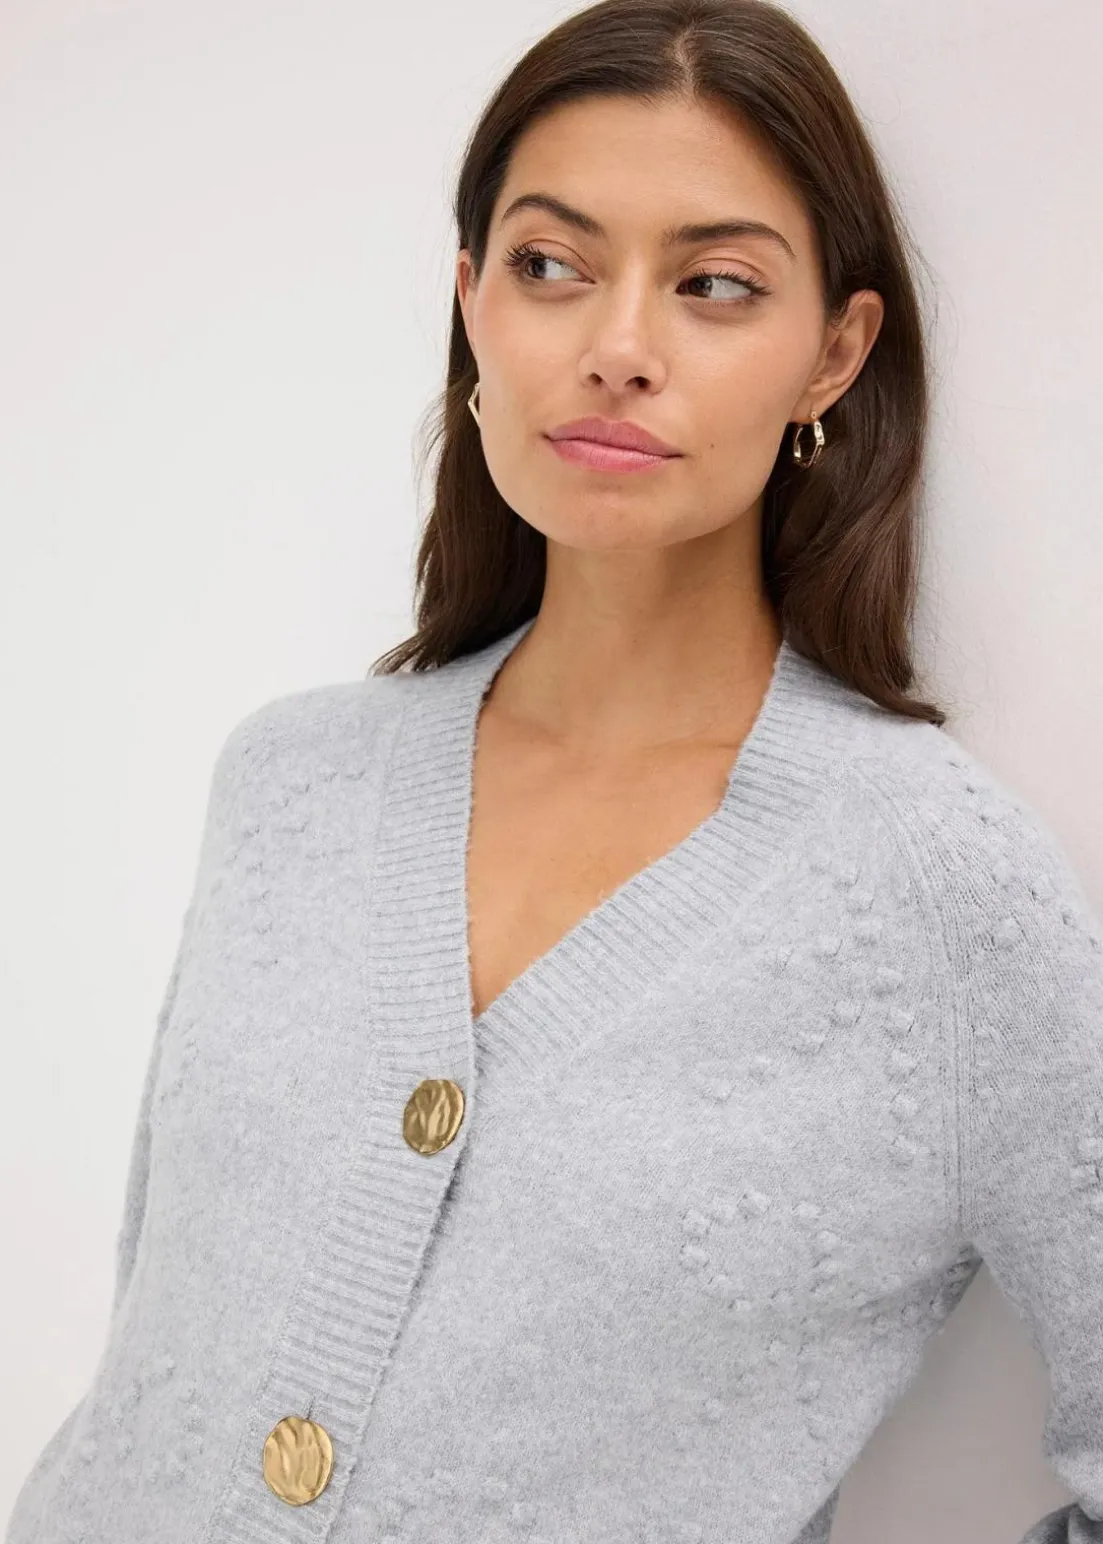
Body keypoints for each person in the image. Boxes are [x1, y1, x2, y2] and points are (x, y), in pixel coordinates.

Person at [8, 0, 1102, 1540]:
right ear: (469, 302)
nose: (618, 350)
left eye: (714, 286)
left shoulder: (936, 891)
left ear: (832, 354)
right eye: (549, 265)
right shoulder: (288, 783)